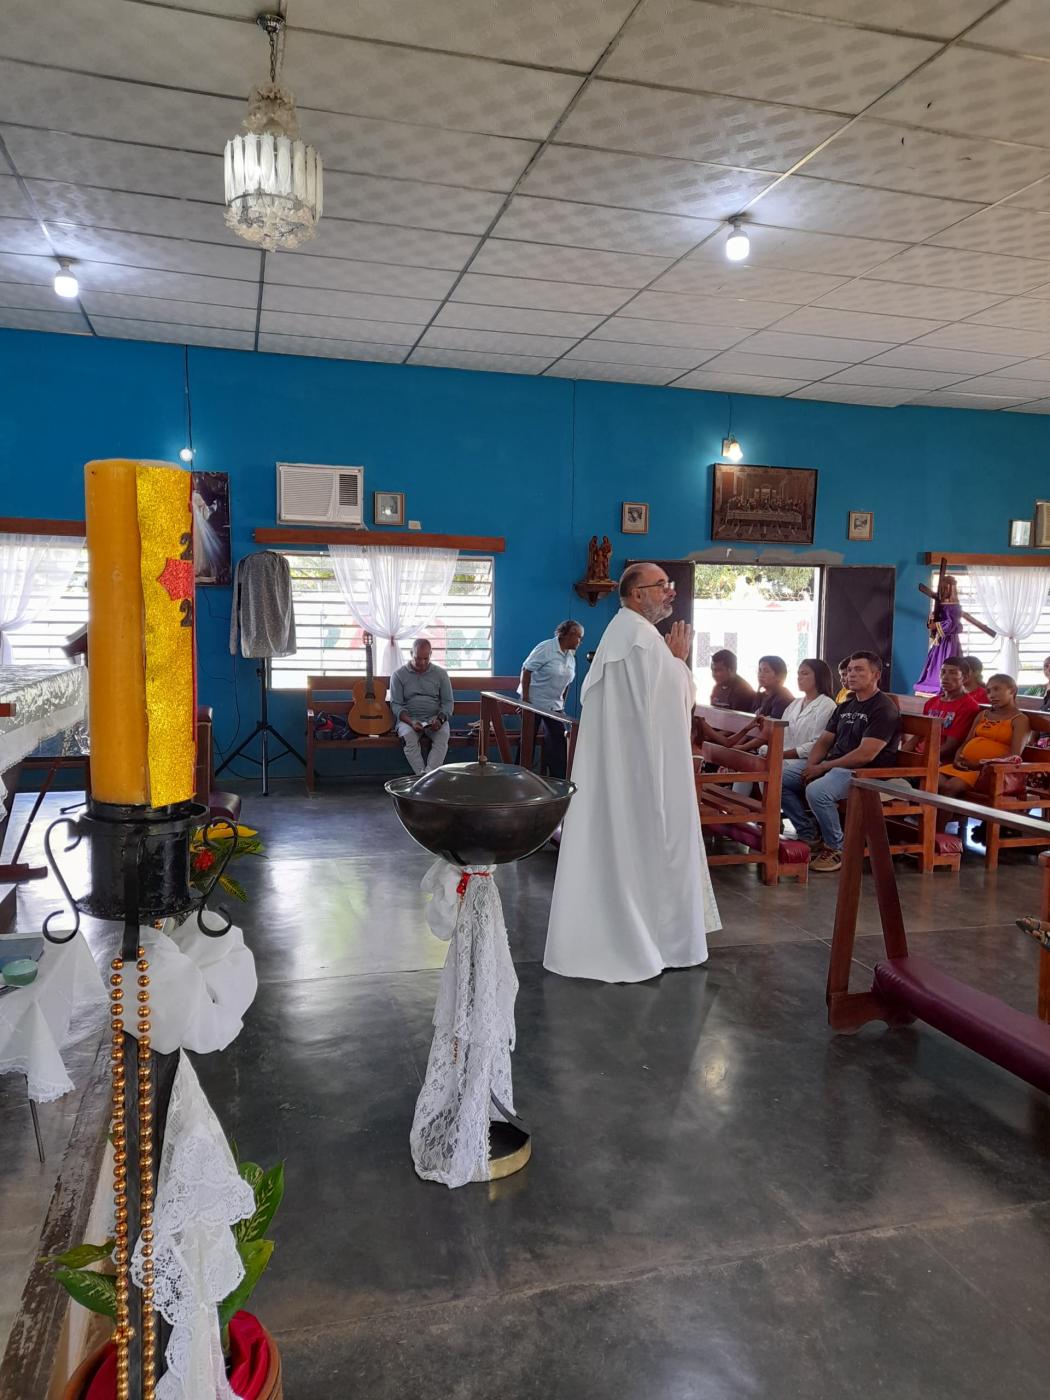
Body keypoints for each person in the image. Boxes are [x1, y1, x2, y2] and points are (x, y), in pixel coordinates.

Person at [543, 562, 720, 983]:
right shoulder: (642, 640)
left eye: (669, 585)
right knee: (652, 848)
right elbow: (669, 708)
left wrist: (671, 663)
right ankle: (654, 941)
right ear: (637, 593)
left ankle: (629, 934)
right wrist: (678, 663)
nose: (670, 593)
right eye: (662, 586)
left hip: (622, 771)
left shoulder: (623, 634)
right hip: (644, 775)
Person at [780, 651, 901, 874]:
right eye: (850, 670)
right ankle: (809, 833)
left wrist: (823, 767)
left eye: (859, 670)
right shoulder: (846, 706)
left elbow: (866, 754)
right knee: (777, 779)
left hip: (864, 772)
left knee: (818, 792)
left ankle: (836, 846)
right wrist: (811, 766)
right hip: (834, 765)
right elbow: (825, 741)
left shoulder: (883, 708)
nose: (852, 674)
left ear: (876, 675)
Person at [938, 673, 1027, 797]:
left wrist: (981, 764)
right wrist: (958, 757)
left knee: (950, 787)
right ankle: (930, 816)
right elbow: (967, 741)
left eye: (997, 689)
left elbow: (1014, 754)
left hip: (990, 772)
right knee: (932, 781)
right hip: (965, 767)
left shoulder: (1019, 720)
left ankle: (936, 816)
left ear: (1012, 690)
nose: (992, 695)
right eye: (989, 691)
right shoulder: (983, 714)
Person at [519, 620, 584, 779]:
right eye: (579, 637)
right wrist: (525, 700)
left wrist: (562, 702)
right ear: (568, 635)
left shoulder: (570, 657)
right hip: (534, 703)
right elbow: (526, 670)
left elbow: (568, 682)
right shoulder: (546, 648)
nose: (580, 642)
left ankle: (558, 781)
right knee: (527, 745)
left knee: (558, 744)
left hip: (554, 706)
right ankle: (519, 778)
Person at [390, 639, 454, 775]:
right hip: (409, 719)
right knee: (408, 737)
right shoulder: (398, 675)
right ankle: (423, 777)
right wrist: (411, 722)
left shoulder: (441, 674)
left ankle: (427, 777)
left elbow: (448, 703)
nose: (422, 663)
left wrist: (440, 720)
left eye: (426, 658)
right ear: (411, 653)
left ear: (431, 654)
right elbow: (396, 705)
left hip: (434, 718)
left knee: (443, 736)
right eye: (418, 658)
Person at [901, 656, 980, 763]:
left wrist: (922, 759)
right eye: (943, 672)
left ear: (964, 678)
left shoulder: (968, 706)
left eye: (953, 673)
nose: (945, 677)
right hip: (918, 755)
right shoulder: (931, 702)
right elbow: (918, 736)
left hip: (938, 759)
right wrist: (900, 755)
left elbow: (951, 745)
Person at [915, 574, 962, 696]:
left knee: (945, 660)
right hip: (940, 639)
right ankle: (931, 683)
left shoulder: (955, 606)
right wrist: (932, 620)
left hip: (949, 640)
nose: (944, 591)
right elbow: (936, 618)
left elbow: (952, 623)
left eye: (947, 588)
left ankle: (944, 685)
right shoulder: (941, 603)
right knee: (934, 661)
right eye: (942, 588)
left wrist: (936, 625)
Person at [754, 655, 794, 719]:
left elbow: (772, 724)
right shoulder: (761, 695)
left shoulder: (784, 697)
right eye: (760, 670)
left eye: (766, 671)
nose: (761, 675)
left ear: (779, 676)